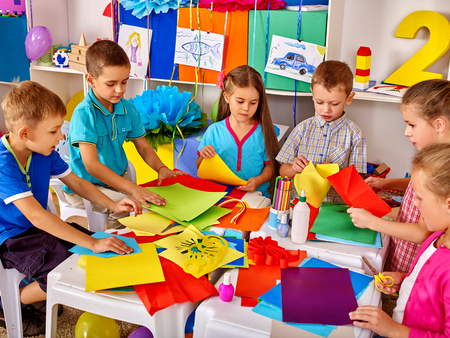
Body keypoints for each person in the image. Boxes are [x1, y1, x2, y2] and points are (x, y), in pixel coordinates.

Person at [0, 81, 141, 335]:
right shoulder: (3, 163)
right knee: (67, 267)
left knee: (90, 247)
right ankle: (9, 300)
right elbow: (36, 216)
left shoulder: (44, 151)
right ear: (24, 134)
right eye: (54, 131)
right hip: (9, 238)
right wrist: (93, 244)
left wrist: (112, 204)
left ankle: (41, 290)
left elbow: (76, 182)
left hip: (34, 228)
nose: (61, 136)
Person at [63, 40, 185, 229]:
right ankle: (113, 241)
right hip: (85, 186)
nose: (120, 90)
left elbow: (143, 146)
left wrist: (160, 168)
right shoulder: (84, 114)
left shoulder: (127, 108)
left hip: (118, 179)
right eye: (111, 84)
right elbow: (92, 166)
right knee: (127, 206)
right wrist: (133, 190)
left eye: (124, 82)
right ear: (91, 79)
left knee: (155, 205)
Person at [348, 79, 450, 273]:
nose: (406, 132)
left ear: (438, 125)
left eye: (411, 125)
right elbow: (418, 185)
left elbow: (422, 232)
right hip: (401, 253)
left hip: (413, 260)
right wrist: (386, 183)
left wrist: (372, 222)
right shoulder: (434, 157)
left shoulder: (442, 167)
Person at [349, 142, 450, 337]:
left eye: (419, 197)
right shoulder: (437, 237)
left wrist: (394, 330)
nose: (413, 202)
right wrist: (406, 281)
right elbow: (430, 288)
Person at [276, 60, 367, 203]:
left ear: (349, 98)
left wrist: (334, 173)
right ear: (312, 94)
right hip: (300, 205)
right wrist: (295, 168)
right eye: (319, 102)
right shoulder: (301, 129)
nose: (326, 110)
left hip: (334, 209)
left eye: (334, 104)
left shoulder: (355, 135)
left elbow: (357, 181)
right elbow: (283, 171)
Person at [196, 65, 279, 198]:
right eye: (240, 101)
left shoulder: (264, 132)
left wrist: (259, 180)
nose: (246, 108)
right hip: (219, 196)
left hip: (254, 196)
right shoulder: (214, 131)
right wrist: (203, 156)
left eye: (253, 103)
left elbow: (270, 167)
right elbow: (199, 166)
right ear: (227, 97)